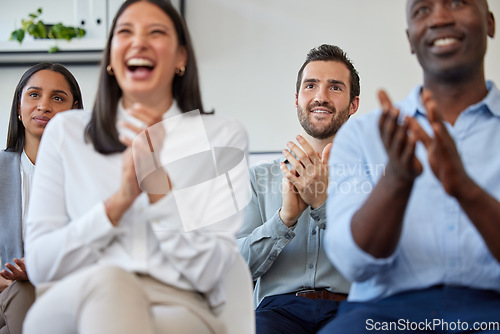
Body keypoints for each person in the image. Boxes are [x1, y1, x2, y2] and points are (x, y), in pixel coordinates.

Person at [22, 1, 248, 334]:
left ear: (181, 58)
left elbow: (211, 272)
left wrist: (158, 188)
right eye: (125, 32)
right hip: (72, 299)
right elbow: (41, 265)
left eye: (156, 32)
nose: (138, 42)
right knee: (112, 282)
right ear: (112, 59)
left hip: (178, 303)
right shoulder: (66, 132)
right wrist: (118, 203)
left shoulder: (221, 137)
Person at [321, 1, 500, 333]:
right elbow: (351, 263)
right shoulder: (362, 135)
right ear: (410, 38)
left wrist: (466, 189)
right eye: (422, 10)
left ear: (489, 23)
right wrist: (396, 182)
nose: (440, 19)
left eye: (458, 3)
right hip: (382, 318)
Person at [238, 44, 360, 334]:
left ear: (353, 104)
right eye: (311, 85)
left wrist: (322, 204)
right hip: (274, 314)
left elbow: (381, 263)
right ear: (297, 99)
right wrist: (284, 220)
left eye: (335, 87)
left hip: (352, 312)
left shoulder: (376, 177)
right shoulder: (258, 178)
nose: (321, 96)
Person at [0, 62, 83, 334]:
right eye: (34, 95)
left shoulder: (89, 174)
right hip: (5, 292)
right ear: (19, 109)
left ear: (74, 111)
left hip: (67, 290)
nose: (44, 106)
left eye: (57, 98)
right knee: (22, 291)